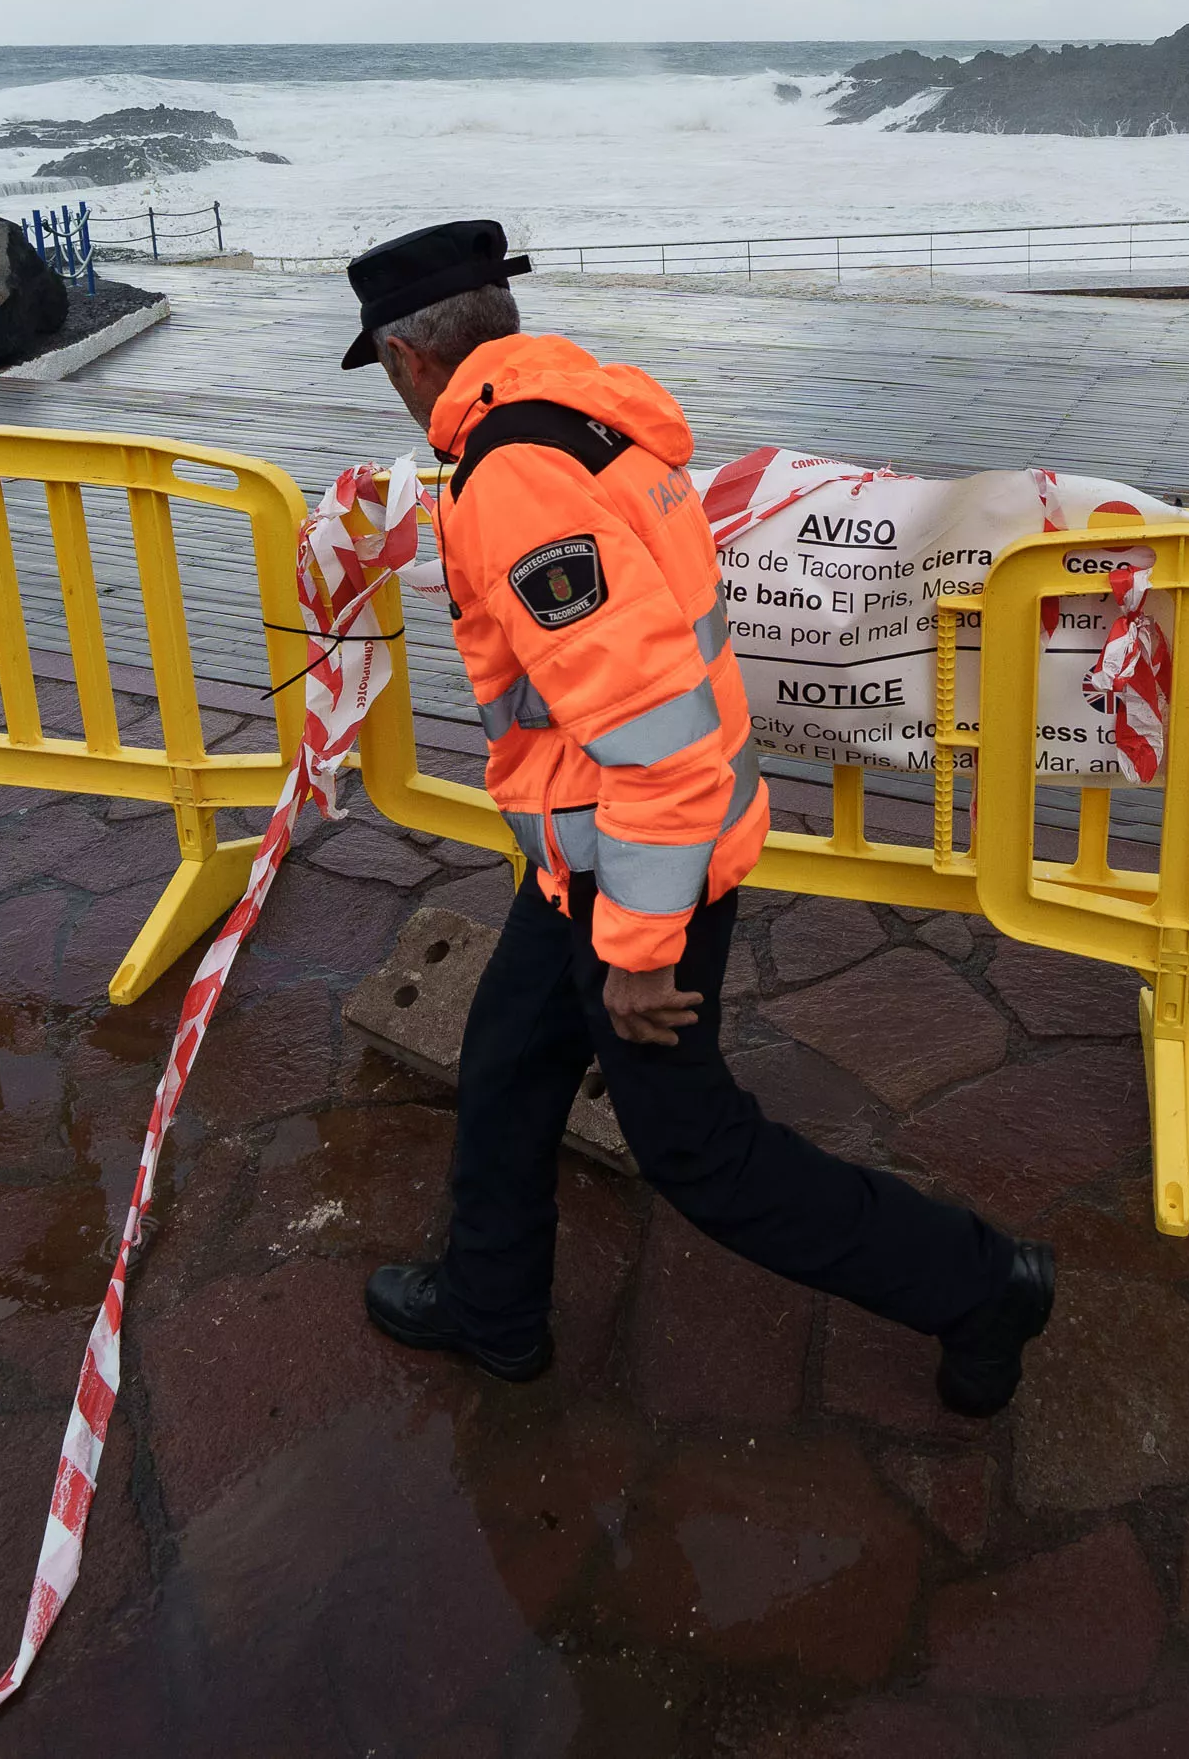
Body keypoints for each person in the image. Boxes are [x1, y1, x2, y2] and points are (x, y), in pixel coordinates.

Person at [340, 219, 1055, 1414]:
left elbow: (655, 732)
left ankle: (983, 1285)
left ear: (410, 360)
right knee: (510, 1063)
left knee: (701, 1156)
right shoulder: (586, 420)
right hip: (589, 859)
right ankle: (492, 1304)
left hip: (636, 873)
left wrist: (637, 947)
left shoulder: (512, 481)